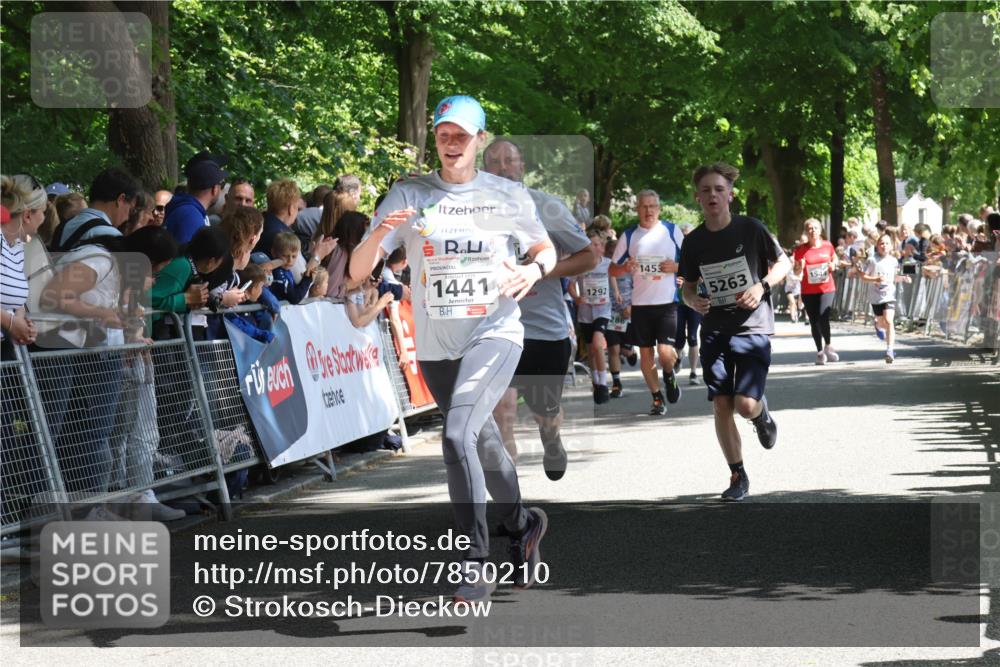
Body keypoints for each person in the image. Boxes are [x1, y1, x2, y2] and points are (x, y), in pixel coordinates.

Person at [348, 95, 556, 602]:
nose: (451, 142)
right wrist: (379, 233)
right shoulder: (409, 193)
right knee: (481, 443)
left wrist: (533, 269)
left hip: (494, 332)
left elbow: (544, 249)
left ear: (480, 140)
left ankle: (474, 562)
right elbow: (356, 272)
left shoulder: (506, 195)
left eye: (462, 134)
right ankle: (523, 524)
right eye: (443, 134)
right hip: (437, 346)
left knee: (456, 435)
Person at [482, 137, 596, 477]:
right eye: (494, 161)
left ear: (522, 166)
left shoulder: (547, 207)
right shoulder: (471, 212)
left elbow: (589, 256)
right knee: (502, 410)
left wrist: (539, 271)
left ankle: (551, 436)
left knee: (545, 413)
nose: (502, 167)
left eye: (509, 160)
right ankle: (509, 496)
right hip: (495, 328)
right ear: (484, 170)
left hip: (544, 331)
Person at [678, 162, 790, 502]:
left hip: (752, 327)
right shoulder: (694, 242)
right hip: (715, 330)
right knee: (721, 404)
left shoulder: (750, 228)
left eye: (719, 189)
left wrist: (761, 286)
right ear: (698, 198)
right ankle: (738, 475)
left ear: (730, 195)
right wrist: (693, 300)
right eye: (706, 190)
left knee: (744, 404)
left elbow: (784, 263)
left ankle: (760, 413)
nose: (713, 195)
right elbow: (687, 287)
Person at [609, 190, 685, 416]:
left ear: (659, 209)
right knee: (646, 355)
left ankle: (669, 374)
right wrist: (625, 268)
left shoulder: (671, 230)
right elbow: (612, 269)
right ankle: (657, 398)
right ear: (637, 209)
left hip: (667, 303)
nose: (648, 210)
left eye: (652, 206)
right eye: (644, 206)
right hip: (641, 305)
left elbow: (693, 261)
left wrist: (676, 267)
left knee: (665, 353)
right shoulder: (629, 236)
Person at [50, 168, 139, 252]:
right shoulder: (113, 237)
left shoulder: (62, 227)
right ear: (121, 199)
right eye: (130, 210)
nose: (127, 218)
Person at [571, 227, 613, 403]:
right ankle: (596, 381)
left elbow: (615, 279)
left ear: (602, 246)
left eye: (597, 244)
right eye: (591, 244)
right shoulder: (581, 265)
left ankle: (603, 384)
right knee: (590, 350)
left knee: (597, 344)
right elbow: (570, 285)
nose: (595, 247)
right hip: (586, 312)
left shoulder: (608, 264)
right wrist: (577, 298)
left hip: (603, 310)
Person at [793, 218, 839, 365]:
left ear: (820, 230)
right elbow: (796, 270)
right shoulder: (800, 250)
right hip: (809, 290)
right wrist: (799, 266)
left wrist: (833, 265)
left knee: (823, 316)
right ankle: (820, 352)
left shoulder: (827, 245)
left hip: (827, 288)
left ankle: (828, 346)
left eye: (815, 228)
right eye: (810, 228)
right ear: (806, 232)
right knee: (814, 321)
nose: (813, 231)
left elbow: (835, 258)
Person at [860, 233, 908, 363]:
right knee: (882, 323)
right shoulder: (872, 260)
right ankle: (877, 324)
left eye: (887, 243)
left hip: (889, 295)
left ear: (891, 246)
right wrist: (875, 279)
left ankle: (890, 350)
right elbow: (863, 277)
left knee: (889, 321)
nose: (884, 246)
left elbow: (894, 277)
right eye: (881, 243)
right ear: (877, 245)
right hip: (876, 296)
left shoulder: (893, 261)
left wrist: (903, 278)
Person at [164, 159, 227, 244]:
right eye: (221, 185)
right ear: (215, 189)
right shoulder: (191, 216)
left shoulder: (186, 209)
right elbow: (186, 252)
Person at [673, 222, 703, 385]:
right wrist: (675, 279)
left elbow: (704, 276)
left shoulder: (699, 252)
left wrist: (693, 280)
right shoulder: (674, 253)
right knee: (679, 337)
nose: (685, 238)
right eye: (683, 235)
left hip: (694, 301)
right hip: (678, 301)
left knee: (692, 336)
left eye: (688, 235)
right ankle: (678, 357)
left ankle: (693, 372)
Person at [269, 232, 320, 304]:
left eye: (294, 256)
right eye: (285, 256)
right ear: (273, 253)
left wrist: (307, 276)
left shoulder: (286, 271)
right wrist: (307, 280)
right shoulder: (278, 274)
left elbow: (294, 289)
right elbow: (294, 298)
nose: (290, 260)